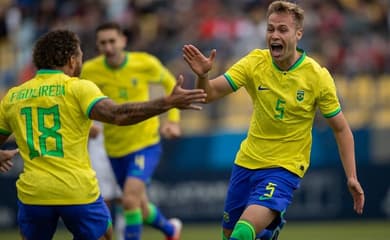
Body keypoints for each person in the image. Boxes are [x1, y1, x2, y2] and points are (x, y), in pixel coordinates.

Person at [182, 1, 365, 240]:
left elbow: (341, 130)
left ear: (298, 34)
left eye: (282, 30)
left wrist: (352, 176)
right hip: (247, 162)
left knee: (241, 234)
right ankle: (268, 233)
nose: (274, 35)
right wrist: (203, 75)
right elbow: (208, 95)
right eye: (270, 29)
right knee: (228, 235)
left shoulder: (317, 76)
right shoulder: (254, 62)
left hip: (284, 168)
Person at [0, 29, 206, 240]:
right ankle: (169, 230)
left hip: (34, 195)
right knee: (111, 228)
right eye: (80, 55)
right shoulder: (77, 88)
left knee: (132, 201)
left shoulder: (13, 96)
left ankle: (169, 230)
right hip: (77, 191)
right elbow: (117, 115)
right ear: (72, 60)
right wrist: (166, 103)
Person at [80, 22, 183, 240]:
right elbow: (77, 102)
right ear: (97, 46)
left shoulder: (144, 62)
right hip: (114, 149)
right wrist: (88, 126)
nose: (108, 47)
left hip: (145, 144)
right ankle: (170, 230)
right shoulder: (90, 70)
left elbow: (171, 85)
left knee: (128, 200)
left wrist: (173, 121)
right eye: (103, 43)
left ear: (123, 41)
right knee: (139, 206)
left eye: (112, 41)